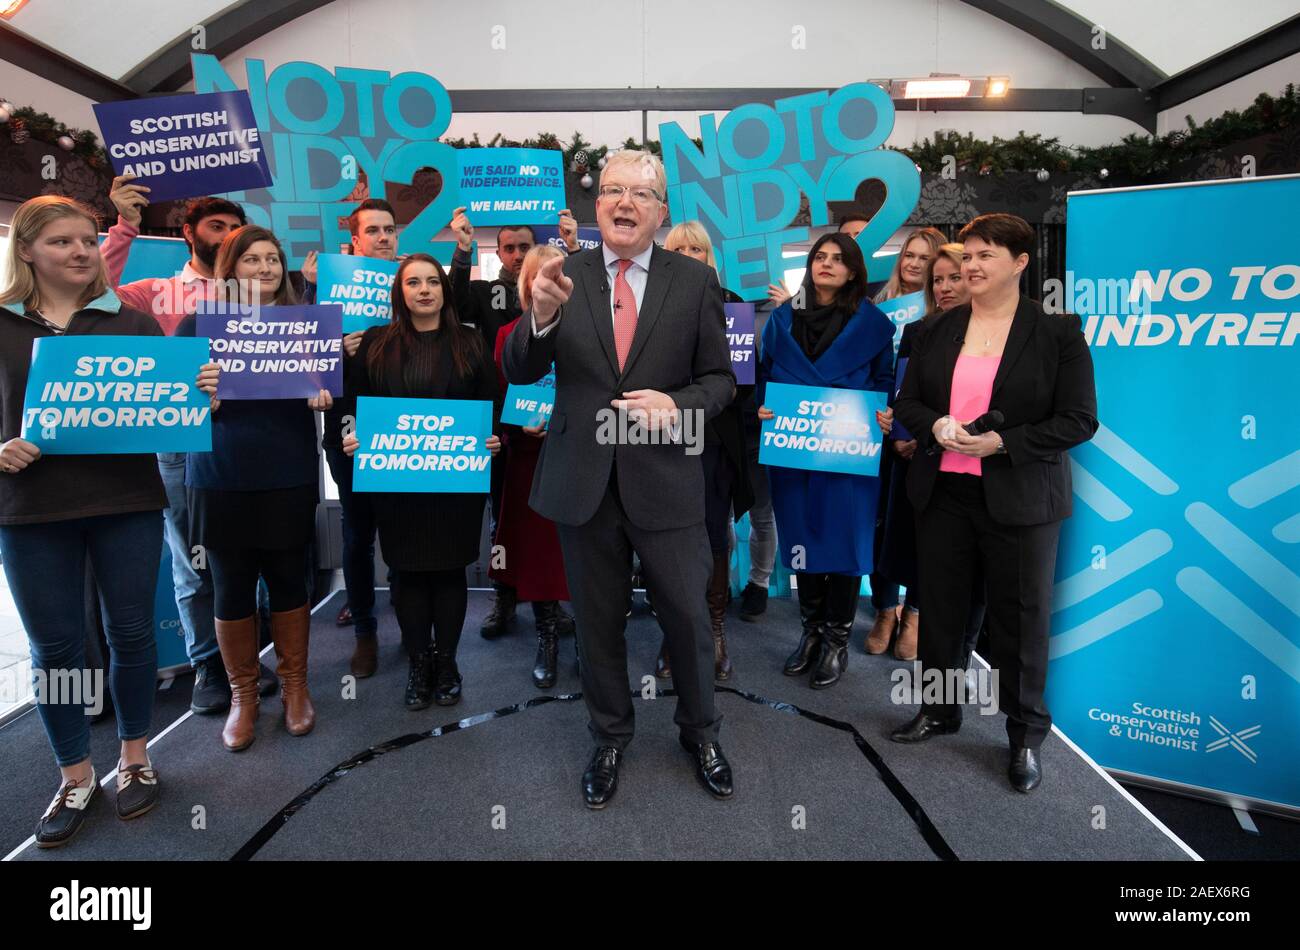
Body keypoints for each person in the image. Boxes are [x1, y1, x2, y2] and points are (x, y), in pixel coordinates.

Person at [503, 148, 736, 808]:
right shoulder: (560, 275)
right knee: (598, 623)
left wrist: (677, 406)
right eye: (612, 191)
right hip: (585, 481)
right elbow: (520, 368)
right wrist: (540, 316)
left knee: (688, 618)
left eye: (641, 192)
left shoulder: (692, 284)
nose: (625, 202)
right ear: (595, 205)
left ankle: (701, 731)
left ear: (662, 211)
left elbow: (719, 381)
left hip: (666, 478)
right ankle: (609, 736)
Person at [0, 195, 218, 845]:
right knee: (57, 648)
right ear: (27, 251)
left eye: (87, 241)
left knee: (130, 636)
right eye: (62, 242)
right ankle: (74, 776)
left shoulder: (130, 321)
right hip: (30, 510)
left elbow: (167, 409)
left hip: (126, 501)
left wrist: (196, 389)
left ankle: (135, 760)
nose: (78, 252)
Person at [891, 213, 1098, 794]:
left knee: (1021, 621)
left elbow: (1079, 420)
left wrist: (1001, 442)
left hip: (1022, 499)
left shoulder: (1057, 333)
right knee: (942, 612)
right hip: (944, 494)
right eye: (968, 255)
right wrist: (936, 425)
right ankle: (939, 711)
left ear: (1021, 263)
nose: (972, 266)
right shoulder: (935, 329)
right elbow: (907, 404)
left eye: (987, 255)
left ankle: (1024, 736)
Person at [99, 176, 277, 713]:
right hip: (177, 443)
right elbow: (94, 296)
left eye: (235, 230)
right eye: (216, 227)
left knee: (251, 553)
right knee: (192, 557)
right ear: (188, 234)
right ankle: (207, 665)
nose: (227, 237)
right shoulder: (157, 292)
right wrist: (124, 228)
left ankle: (247, 659)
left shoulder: (256, 295)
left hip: (245, 441)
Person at [176, 225, 332, 752]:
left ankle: (294, 687)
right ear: (230, 269)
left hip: (287, 469)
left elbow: (332, 385)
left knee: (291, 579)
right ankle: (244, 694)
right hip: (220, 473)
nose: (264, 269)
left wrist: (323, 393)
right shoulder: (198, 324)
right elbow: (171, 403)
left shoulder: (304, 326)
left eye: (272, 260)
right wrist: (200, 400)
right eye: (252, 260)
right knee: (231, 584)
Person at [342, 254, 501, 708]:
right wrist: (351, 434)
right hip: (395, 485)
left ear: (445, 291)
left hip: (456, 484)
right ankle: (418, 661)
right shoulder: (375, 342)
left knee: (450, 573)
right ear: (401, 292)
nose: (425, 290)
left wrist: (492, 438)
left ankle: (447, 661)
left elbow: (491, 403)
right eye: (414, 282)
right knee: (407, 575)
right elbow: (351, 405)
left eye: (433, 281)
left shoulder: (470, 342)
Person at [757, 233, 896, 689]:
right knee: (801, 541)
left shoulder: (875, 325)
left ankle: (837, 640)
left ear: (854, 271)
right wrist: (762, 405)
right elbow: (762, 378)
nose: (827, 265)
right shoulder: (780, 321)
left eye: (839, 260)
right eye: (820, 257)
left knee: (845, 546)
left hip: (848, 453)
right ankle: (811, 634)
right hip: (794, 452)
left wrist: (885, 411)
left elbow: (886, 381)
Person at [448, 208, 579, 641]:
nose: (521, 257)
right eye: (512, 249)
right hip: (513, 445)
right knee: (504, 527)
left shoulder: (582, 330)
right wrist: (517, 423)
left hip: (566, 448)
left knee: (553, 534)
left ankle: (550, 604)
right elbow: (499, 386)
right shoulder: (499, 317)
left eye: (528, 248)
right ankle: (505, 598)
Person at [302, 198, 395, 677]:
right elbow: (292, 363)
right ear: (354, 241)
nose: (383, 237)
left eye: (389, 230)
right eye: (373, 231)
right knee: (358, 534)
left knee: (402, 530)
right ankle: (364, 630)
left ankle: (409, 612)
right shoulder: (323, 294)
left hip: (403, 431)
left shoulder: (411, 283)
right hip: (347, 430)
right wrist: (333, 350)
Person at [657, 221, 753, 681]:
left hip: (715, 441)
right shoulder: (649, 300)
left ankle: (714, 630)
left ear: (709, 255)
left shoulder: (733, 304)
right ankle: (672, 633)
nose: (691, 254)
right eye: (681, 248)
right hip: (663, 438)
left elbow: (744, 382)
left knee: (714, 538)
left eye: (698, 248)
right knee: (667, 539)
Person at [870, 243, 975, 661]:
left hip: (957, 457)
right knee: (891, 532)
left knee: (931, 544)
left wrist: (928, 437)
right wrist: (901, 432)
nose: (945, 287)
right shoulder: (918, 330)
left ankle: (914, 615)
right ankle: (884, 613)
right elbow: (902, 387)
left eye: (954, 278)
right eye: (939, 280)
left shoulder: (995, 333)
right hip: (903, 450)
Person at [490, 246, 572, 688]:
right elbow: (501, 395)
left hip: (578, 454)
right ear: (527, 285)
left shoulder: (585, 331)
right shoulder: (507, 334)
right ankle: (547, 637)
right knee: (538, 550)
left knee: (576, 550)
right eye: (539, 276)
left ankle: (585, 637)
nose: (548, 283)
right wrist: (523, 427)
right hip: (528, 456)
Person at [864, 226, 946, 660]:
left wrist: (911, 433)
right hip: (877, 431)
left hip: (927, 438)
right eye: (908, 256)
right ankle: (884, 610)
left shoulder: (946, 320)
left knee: (920, 529)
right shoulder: (878, 305)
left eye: (924, 259)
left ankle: (914, 613)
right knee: (882, 525)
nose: (914, 264)